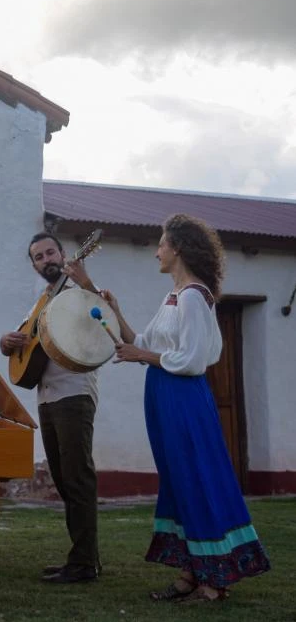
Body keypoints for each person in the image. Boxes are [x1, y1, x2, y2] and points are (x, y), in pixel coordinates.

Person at [104, 214, 270, 603]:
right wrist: (114, 309)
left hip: (183, 396)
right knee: (178, 480)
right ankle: (191, 573)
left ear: (177, 248)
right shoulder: (173, 296)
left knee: (195, 478)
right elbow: (142, 340)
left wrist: (140, 354)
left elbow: (192, 359)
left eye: (161, 244)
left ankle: (215, 580)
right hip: (163, 393)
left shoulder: (195, 296)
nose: (156, 252)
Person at [0, 233, 101, 583]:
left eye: (50, 252)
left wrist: (87, 283)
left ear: (64, 253)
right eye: (38, 257)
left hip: (74, 394)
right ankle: (82, 557)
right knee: (63, 479)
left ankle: (85, 563)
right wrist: (6, 341)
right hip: (47, 397)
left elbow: (103, 323)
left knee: (77, 478)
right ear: (34, 265)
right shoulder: (42, 301)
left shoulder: (78, 292)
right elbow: (22, 339)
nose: (46, 260)